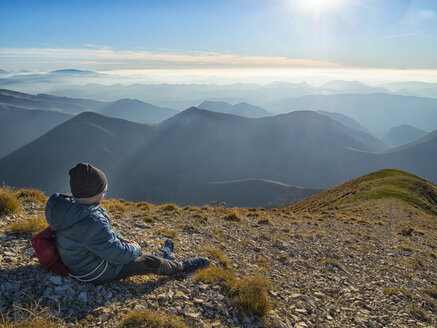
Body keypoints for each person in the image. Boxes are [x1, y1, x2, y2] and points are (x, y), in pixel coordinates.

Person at [45, 162, 209, 284]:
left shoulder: (71, 209)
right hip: (94, 272)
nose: (104, 194)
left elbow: (101, 239)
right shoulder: (91, 222)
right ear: (95, 194)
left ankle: (166, 256)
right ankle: (181, 267)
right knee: (150, 262)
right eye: (104, 191)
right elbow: (119, 254)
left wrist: (121, 240)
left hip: (82, 261)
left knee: (135, 252)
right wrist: (135, 247)